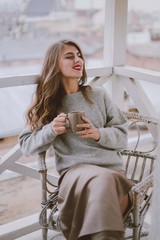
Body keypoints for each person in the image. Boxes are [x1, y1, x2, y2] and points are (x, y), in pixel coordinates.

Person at [19, 39, 133, 240]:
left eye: (79, 55)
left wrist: (98, 134)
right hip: (75, 173)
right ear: (55, 64)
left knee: (107, 179)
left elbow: (123, 135)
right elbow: (26, 145)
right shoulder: (47, 103)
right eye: (69, 56)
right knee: (106, 182)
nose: (78, 59)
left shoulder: (98, 94)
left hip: (112, 171)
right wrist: (50, 130)